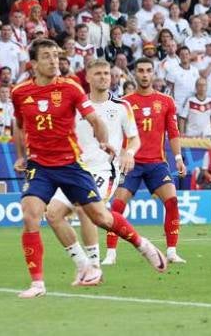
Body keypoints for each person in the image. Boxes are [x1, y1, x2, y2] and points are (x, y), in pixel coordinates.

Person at [11, 39, 165, 298]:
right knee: (32, 215)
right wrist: (20, 155)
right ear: (33, 64)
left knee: (100, 217)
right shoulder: (19, 93)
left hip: (72, 164)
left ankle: (143, 245)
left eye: (56, 55)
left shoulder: (70, 89)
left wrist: (104, 141)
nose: (53, 61)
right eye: (47, 56)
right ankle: (44, 281)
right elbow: (18, 123)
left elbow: (94, 118)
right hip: (40, 165)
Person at [43, 59, 140, 286]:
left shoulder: (121, 106)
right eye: (98, 73)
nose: (104, 77)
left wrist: (130, 153)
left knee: (84, 208)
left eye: (107, 73)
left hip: (105, 169)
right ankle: (83, 264)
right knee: (52, 214)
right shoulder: (76, 105)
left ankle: (94, 267)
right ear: (87, 77)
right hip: (75, 169)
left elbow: (134, 137)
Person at [105, 57, 186, 265]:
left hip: (157, 163)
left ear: (153, 73)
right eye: (140, 70)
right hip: (132, 162)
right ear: (136, 73)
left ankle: (171, 251)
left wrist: (178, 158)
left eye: (148, 70)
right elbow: (116, 133)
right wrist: (121, 155)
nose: (144, 74)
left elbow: (173, 132)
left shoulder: (166, 102)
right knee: (117, 206)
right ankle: (111, 253)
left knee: (172, 201)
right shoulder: (125, 103)